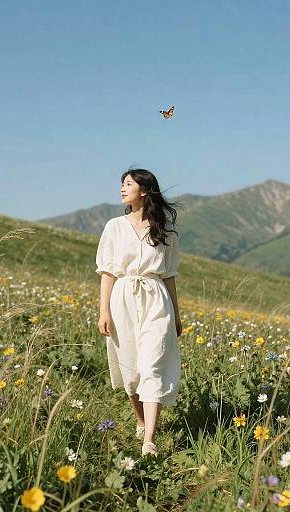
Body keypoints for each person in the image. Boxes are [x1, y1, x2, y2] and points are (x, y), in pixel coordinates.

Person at [96, 168, 183, 457]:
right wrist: (103, 312)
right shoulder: (114, 227)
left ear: (144, 190)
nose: (122, 188)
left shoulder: (163, 230)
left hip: (156, 300)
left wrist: (178, 314)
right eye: (121, 184)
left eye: (128, 184)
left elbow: (169, 274)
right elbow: (107, 272)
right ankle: (140, 420)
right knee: (131, 370)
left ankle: (149, 441)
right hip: (122, 300)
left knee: (152, 366)